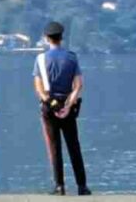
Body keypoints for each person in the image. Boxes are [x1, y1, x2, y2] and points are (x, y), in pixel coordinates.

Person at [33, 21, 91, 196]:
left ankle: (60, 186)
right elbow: (78, 85)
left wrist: (52, 103)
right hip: (68, 106)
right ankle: (82, 186)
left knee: (54, 146)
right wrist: (68, 105)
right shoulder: (72, 57)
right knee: (74, 145)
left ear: (47, 38)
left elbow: (39, 88)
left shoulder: (41, 59)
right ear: (61, 38)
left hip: (49, 107)